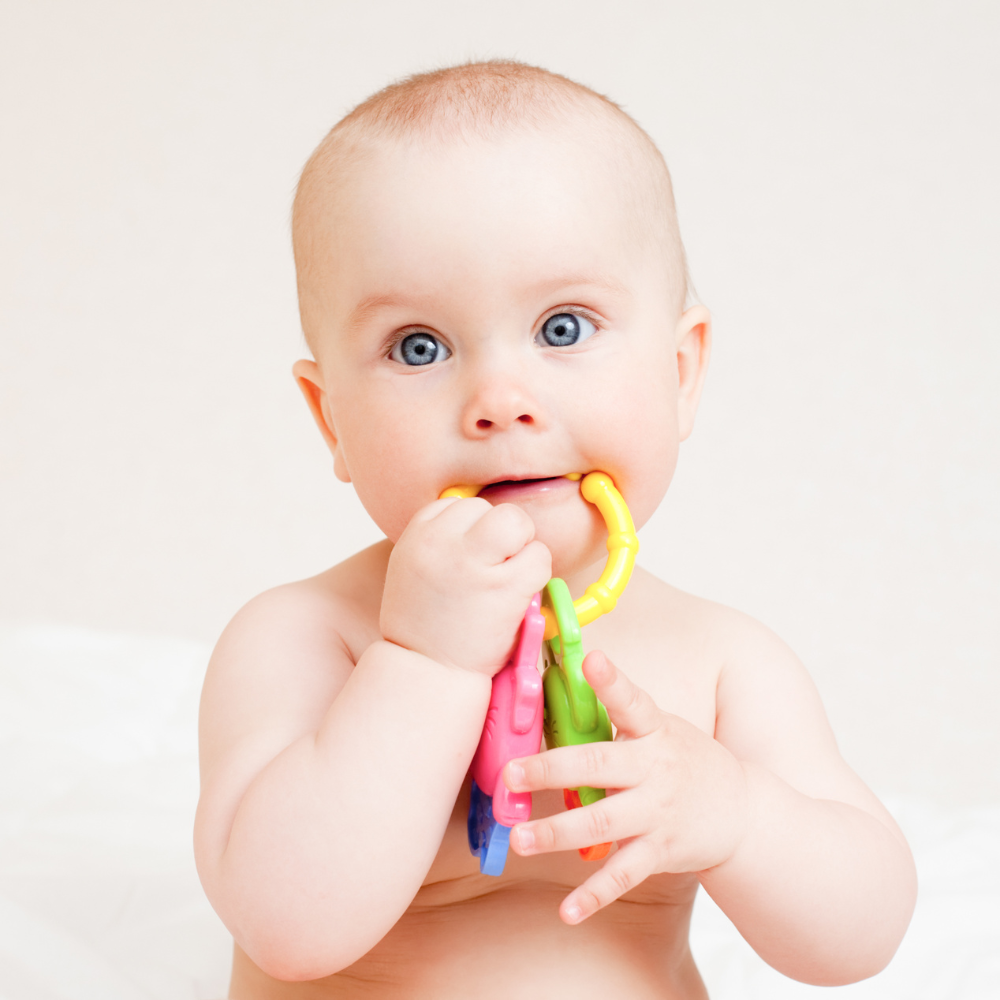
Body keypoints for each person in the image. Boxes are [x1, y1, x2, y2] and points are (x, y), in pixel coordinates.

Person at [194, 61, 916, 999]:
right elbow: (288, 925)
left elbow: (861, 935)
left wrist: (738, 814)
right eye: (420, 346)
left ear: (682, 370)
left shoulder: (724, 661)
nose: (501, 399)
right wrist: (423, 666)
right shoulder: (304, 639)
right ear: (331, 418)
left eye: (564, 328)